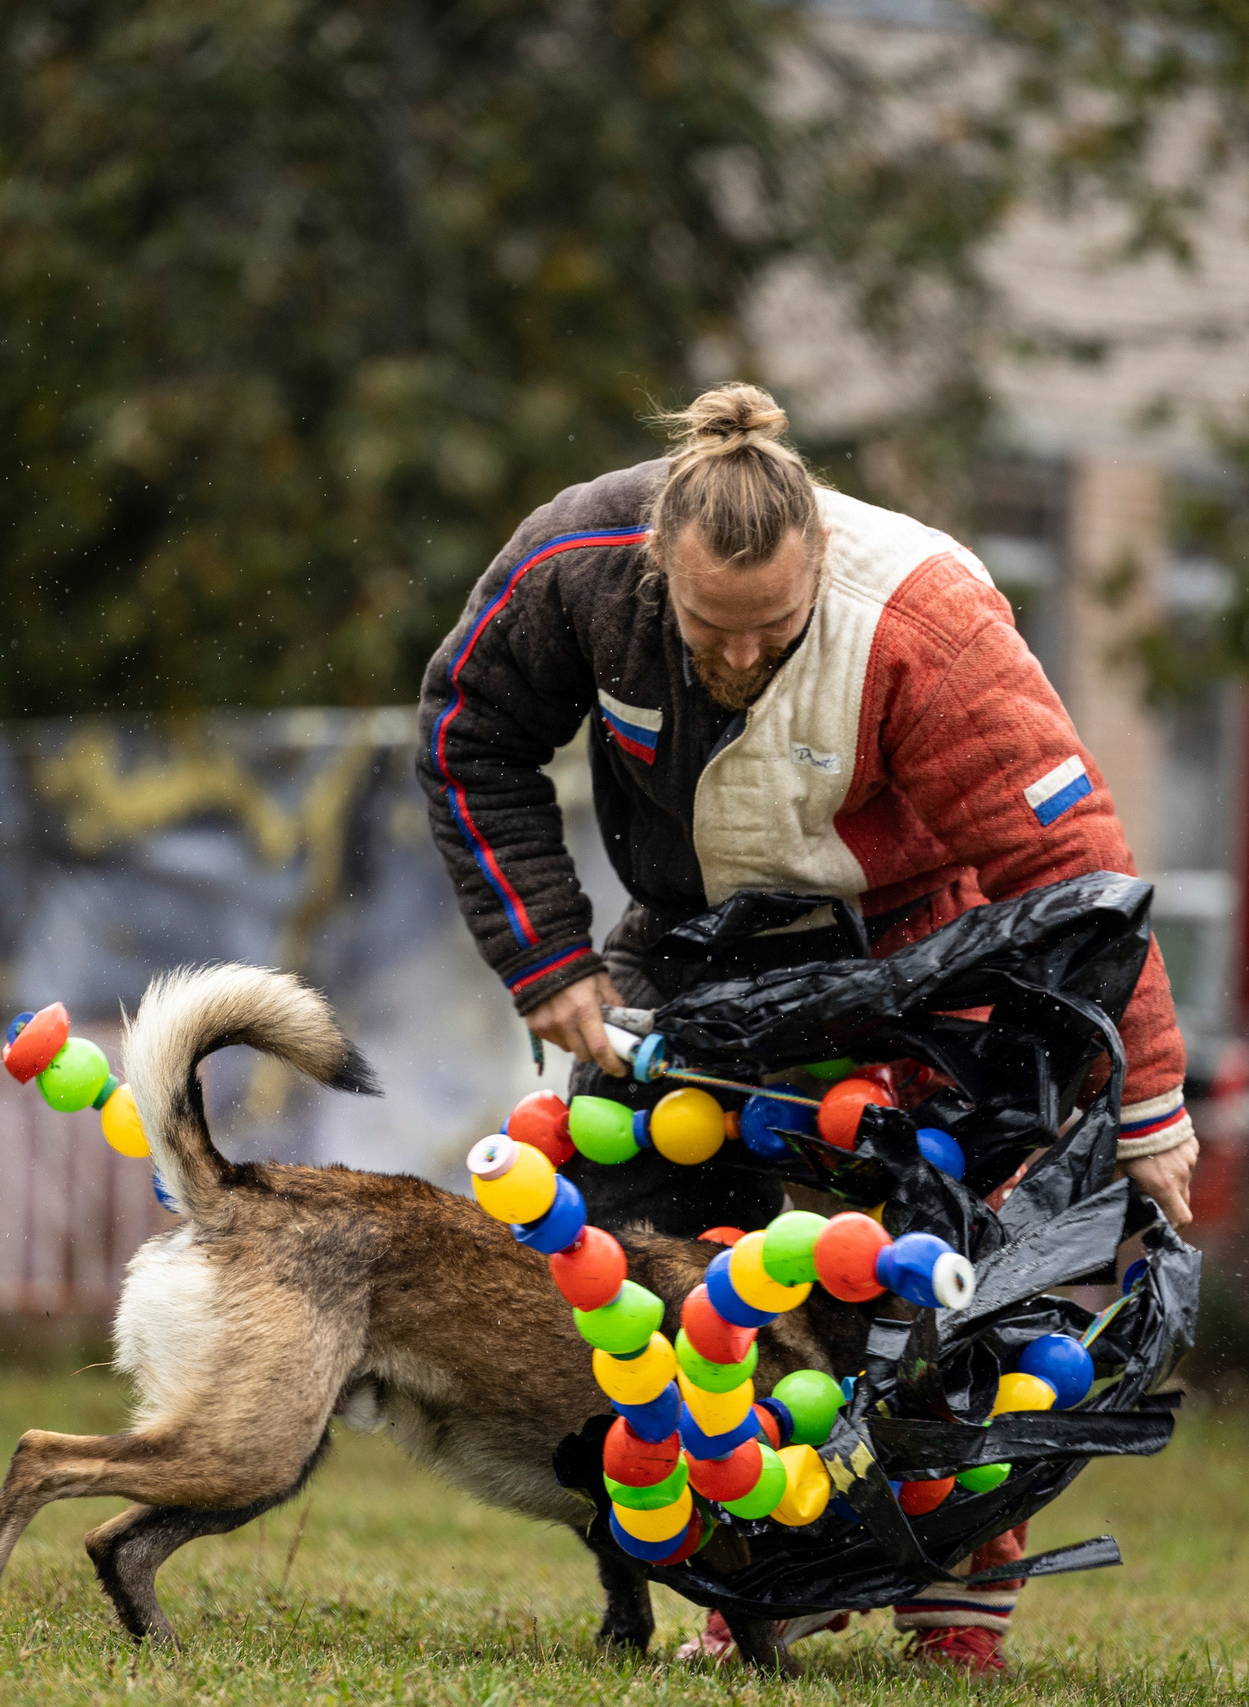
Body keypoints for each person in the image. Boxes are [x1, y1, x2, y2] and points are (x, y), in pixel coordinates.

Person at [415, 382, 1198, 1674]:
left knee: (923, 1283)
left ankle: (961, 1572)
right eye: (706, 628)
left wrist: (1148, 1095)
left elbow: (1073, 878)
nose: (734, 657)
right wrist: (548, 962)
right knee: (665, 1273)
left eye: (770, 627)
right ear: (657, 562)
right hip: (685, 956)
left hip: (909, 963)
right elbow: (467, 732)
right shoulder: (575, 562)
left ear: (820, 559)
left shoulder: (925, 624)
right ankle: (762, 1572)